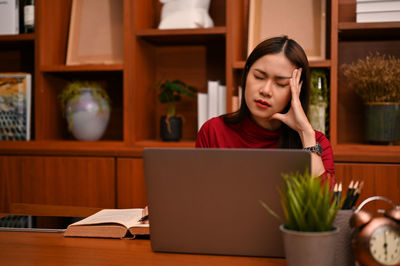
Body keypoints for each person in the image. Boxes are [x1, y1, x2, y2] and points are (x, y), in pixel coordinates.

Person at [196, 36, 334, 177]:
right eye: (259, 77)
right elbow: (199, 194)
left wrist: (306, 134)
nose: (266, 90)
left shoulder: (317, 143)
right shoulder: (213, 131)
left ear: (297, 91)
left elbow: (326, 200)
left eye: (280, 83)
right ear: (246, 75)